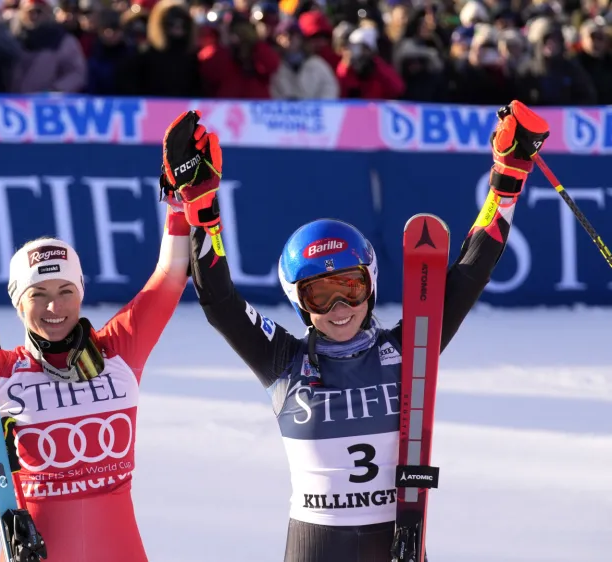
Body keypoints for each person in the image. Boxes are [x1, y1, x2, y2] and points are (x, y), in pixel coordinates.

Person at [158, 101, 550, 562]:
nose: (339, 308)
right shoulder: (283, 362)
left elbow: (469, 271)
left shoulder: (410, 349)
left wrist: (508, 177)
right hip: (316, 546)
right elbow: (221, 304)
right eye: (319, 296)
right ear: (298, 302)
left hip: (398, 543)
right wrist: (200, 206)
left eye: (350, 287)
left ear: (371, 284)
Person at [0, 134, 191, 562]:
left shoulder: (119, 350)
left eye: (66, 291)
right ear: (17, 302)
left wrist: (181, 201)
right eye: (38, 294)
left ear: (81, 293)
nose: (55, 307)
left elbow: (171, 275)